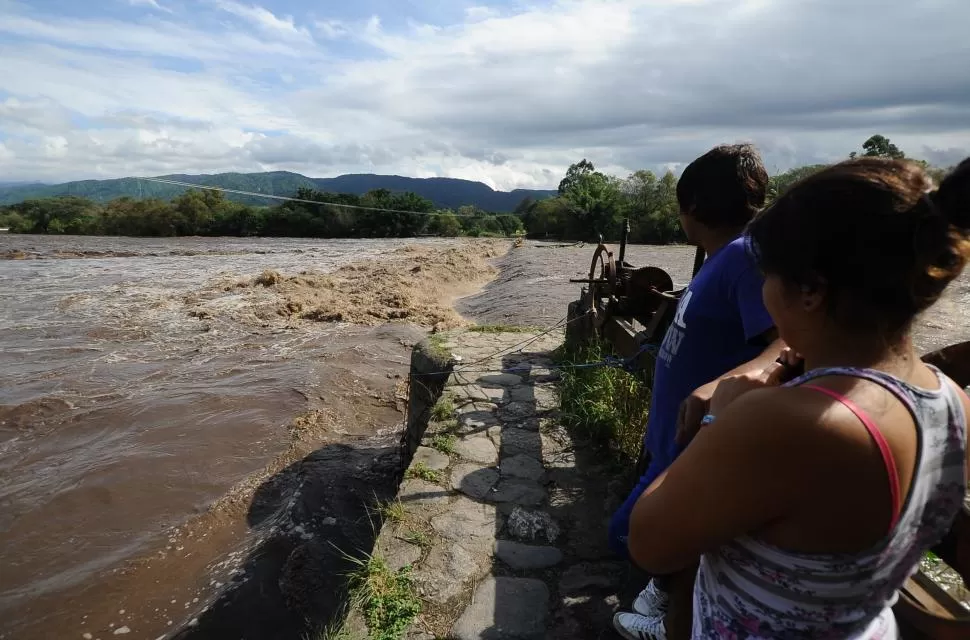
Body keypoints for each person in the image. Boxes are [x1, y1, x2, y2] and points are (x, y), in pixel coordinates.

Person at [627, 157, 970, 639]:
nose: (763, 291)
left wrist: (720, 422)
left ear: (809, 289)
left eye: (768, 275)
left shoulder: (786, 424)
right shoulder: (954, 402)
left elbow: (650, 544)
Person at [610, 144, 786, 640]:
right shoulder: (724, 256)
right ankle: (663, 598)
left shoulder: (746, 259)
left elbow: (787, 340)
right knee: (665, 541)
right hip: (672, 436)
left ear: (691, 207)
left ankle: (669, 623)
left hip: (698, 443)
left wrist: (724, 384)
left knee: (631, 536)